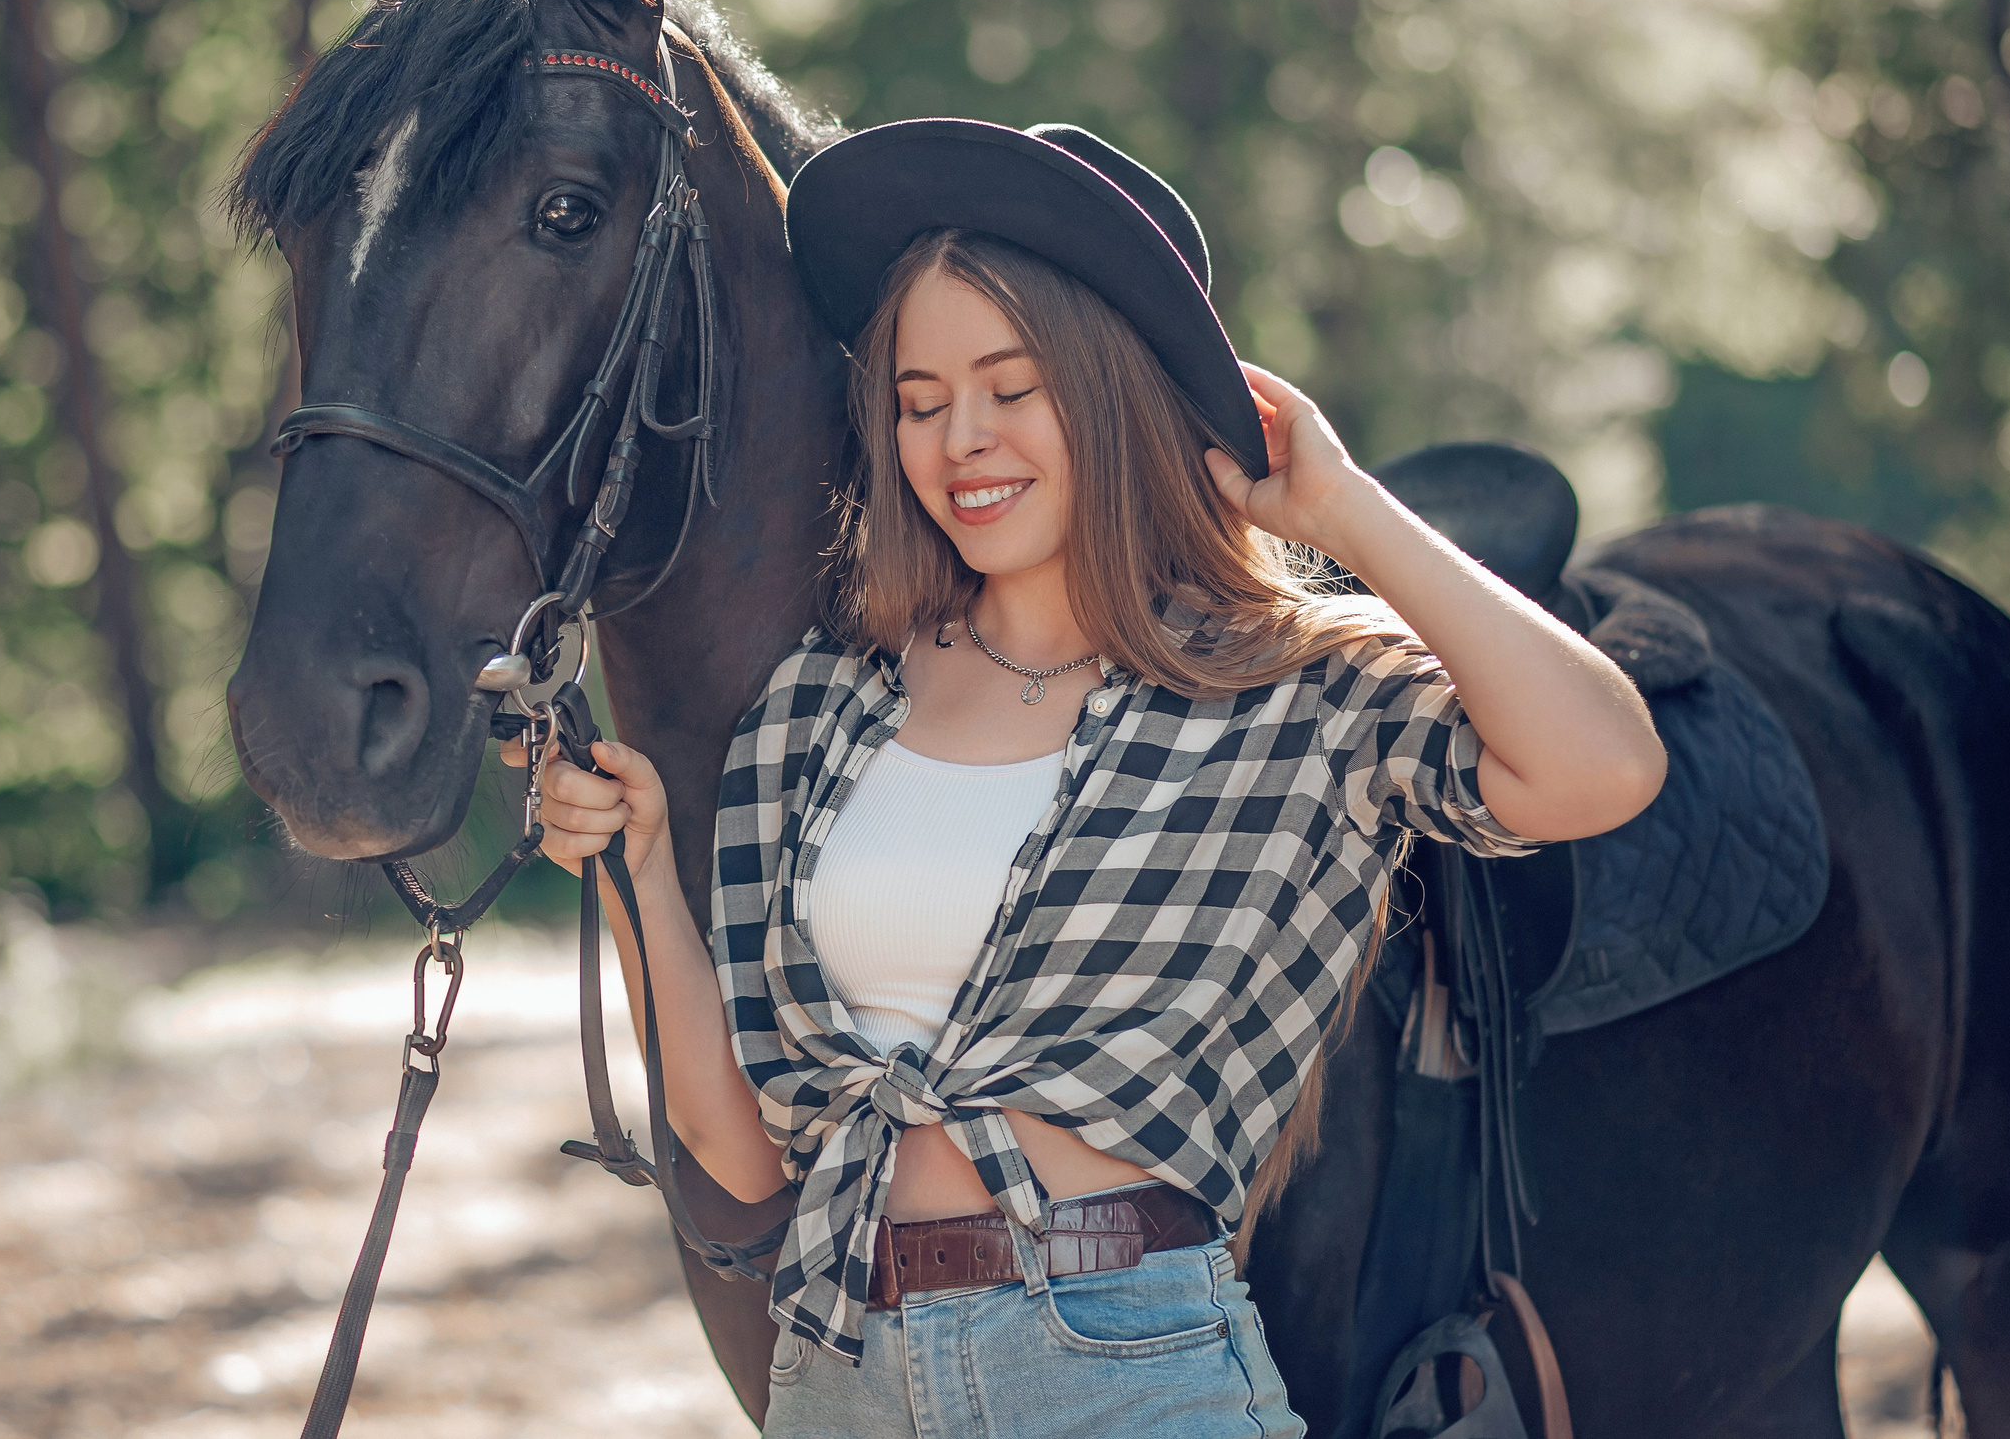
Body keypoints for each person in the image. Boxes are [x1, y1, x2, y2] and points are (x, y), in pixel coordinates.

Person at [501, 119, 1666, 1437]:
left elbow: (1605, 766)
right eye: (922, 400)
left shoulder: (1287, 689)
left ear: (1111, 389)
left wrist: (1343, 514)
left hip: (1120, 1359)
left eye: (1013, 386)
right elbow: (739, 1145)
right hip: (839, 1373)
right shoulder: (819, 708)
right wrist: (635, 867)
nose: (962, 442)